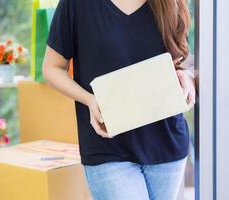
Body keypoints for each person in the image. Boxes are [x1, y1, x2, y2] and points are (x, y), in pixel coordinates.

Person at [42, 0, 196, 199]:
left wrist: (189, 77)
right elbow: (51, 68)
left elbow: (184, 58)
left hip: (167, 144)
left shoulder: (170, 2)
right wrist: (88, 99)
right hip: (107, 146)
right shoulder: (76, 4)